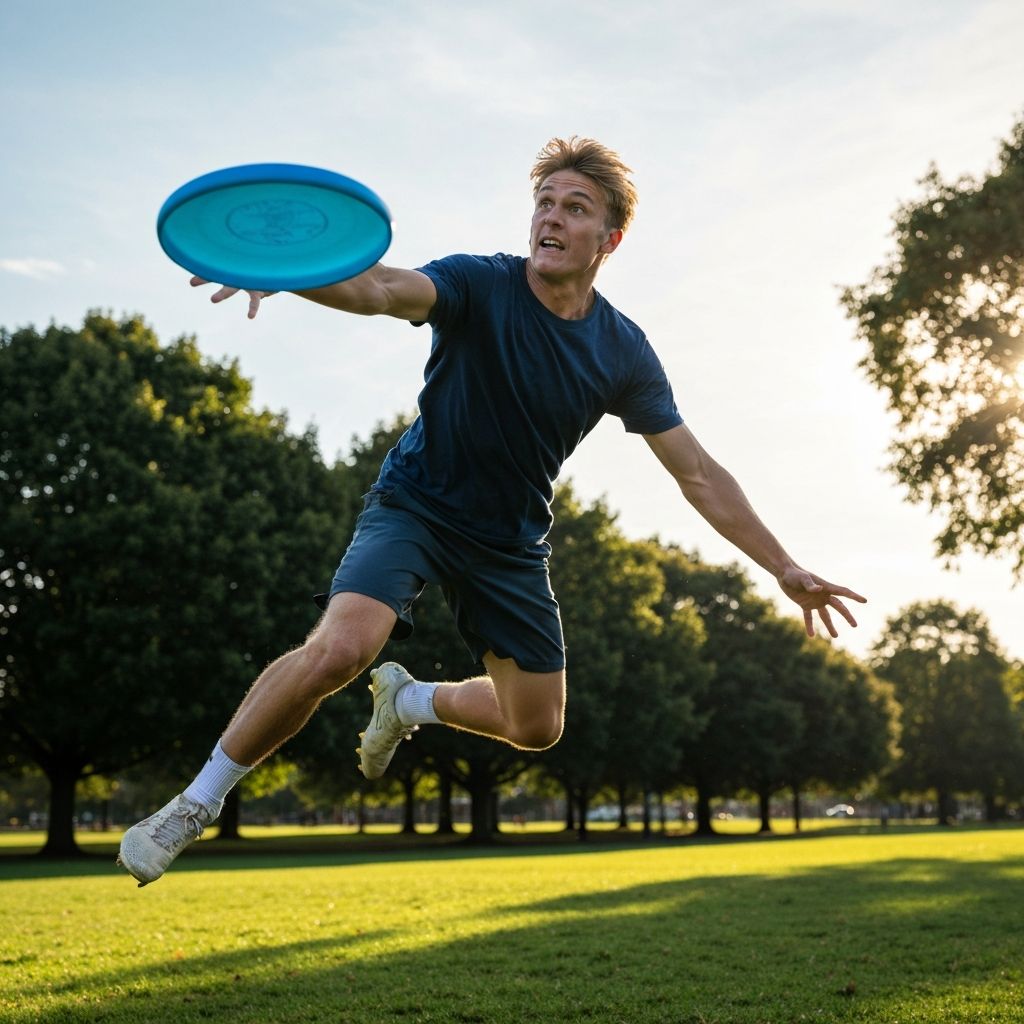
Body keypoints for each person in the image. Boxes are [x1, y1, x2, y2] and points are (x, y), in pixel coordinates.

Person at [117, 137, 865, 886]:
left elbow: (697, 473)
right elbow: (378, 288)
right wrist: (285, 272)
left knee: (535, 727)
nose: (551, 218)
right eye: (544, 202)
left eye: (575, 208)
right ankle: (194, 802)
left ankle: (410, 701)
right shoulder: (480, 284)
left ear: (609, 239)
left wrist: (784, 566)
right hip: (416, 505)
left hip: (509, 543)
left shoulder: (623, 351)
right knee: (344, 649)